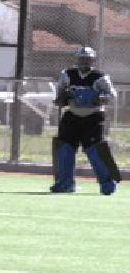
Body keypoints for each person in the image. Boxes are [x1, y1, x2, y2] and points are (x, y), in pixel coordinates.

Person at [50, 46, 120, 195]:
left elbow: (112, 95)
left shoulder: (100, 77)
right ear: (77, 59)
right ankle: (64, 183)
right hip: (72, 116)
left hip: (93, 117)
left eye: (87, 59)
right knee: (64, 149)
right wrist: (65, 97)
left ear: (92, 60)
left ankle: (109, 183)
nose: (84, 62)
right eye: (82, 59)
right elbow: (59, 97)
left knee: (96, 151)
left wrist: (98, 98)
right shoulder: (67, 74)